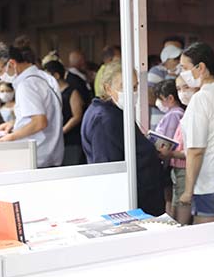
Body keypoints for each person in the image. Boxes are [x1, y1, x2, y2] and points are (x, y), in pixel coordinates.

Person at [81, 61, 165, 216]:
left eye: (135, 87)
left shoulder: (114, 112)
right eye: (125, 87)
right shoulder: (105, 119)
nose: (133, 92)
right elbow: (108, 167)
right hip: (130, 204)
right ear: (108, 88)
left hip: (141, 198)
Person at [179, 42, 214, 224]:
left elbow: (196, 150)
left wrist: (188, 191)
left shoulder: (201, 98)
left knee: (204, 239)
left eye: (185, 68)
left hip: (208, 181)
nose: (182, 73)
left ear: (200, 67)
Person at [0, 45, 64, 167]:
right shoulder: (44, 77)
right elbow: (45, 113)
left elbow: (40, 122)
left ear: (12, 64)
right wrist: (14, 123)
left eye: (0, 71)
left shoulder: (26, 85)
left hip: (36, 156)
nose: (1, 76)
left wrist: (11, 137)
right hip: (52, 153)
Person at [152, 79, 185, 216]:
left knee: (172, 196)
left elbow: (168, 138)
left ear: (170, 98)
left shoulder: (174, 115)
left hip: (174, 160)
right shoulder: (176, 113)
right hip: (173, 161)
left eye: (160, 99)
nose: (158, 103)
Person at [44, 60, 85, 166]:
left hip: (71, 139)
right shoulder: (50, 92)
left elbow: (77, 116)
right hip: (55, 140)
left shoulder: (72, 92)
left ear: (56, 75)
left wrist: (61, 131)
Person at [149, 40, 184, 129]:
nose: (178, 61)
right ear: (166, 60)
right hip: (159, 124)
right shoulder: (156, 71)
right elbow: (149, 97)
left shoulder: (183, 72)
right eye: (175, 59)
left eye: (179, 58)